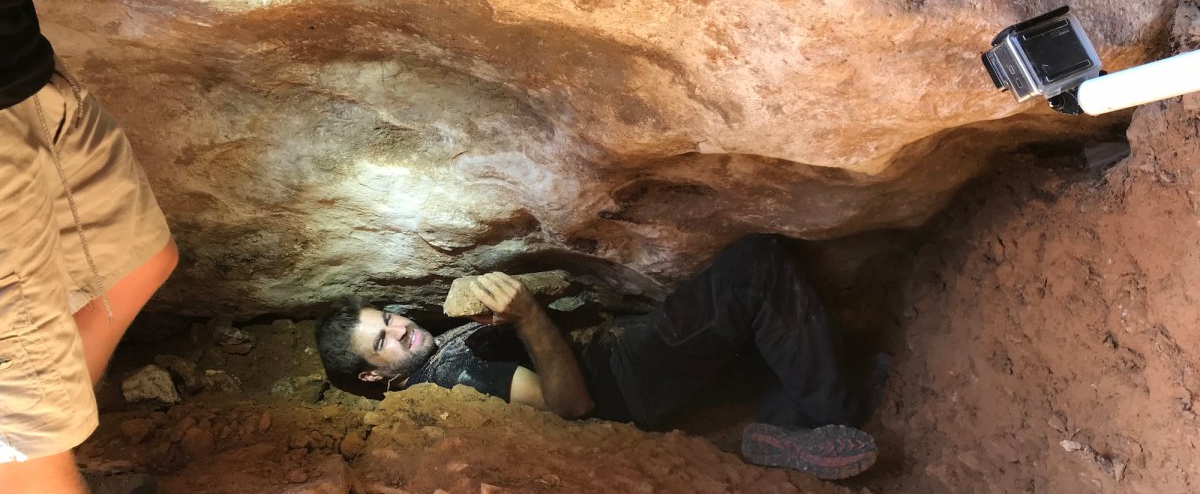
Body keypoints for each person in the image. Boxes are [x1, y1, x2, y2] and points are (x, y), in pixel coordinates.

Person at [317, 234, 884, 480]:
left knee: (773, 347)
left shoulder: (439, 350)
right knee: (755, 270)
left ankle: (778, 421)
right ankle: (829, 412)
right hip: (624, 380)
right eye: (383, 341)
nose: (402, 331)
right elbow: (569, 406)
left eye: (389, 319)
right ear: (371, 374)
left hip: (619, 355)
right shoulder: (454, 377)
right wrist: (530, 315)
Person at [0, 0, 178, 492]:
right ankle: (33, 466)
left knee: (135, 264)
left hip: (25, 86)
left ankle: (38, 450)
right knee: (26, 443)